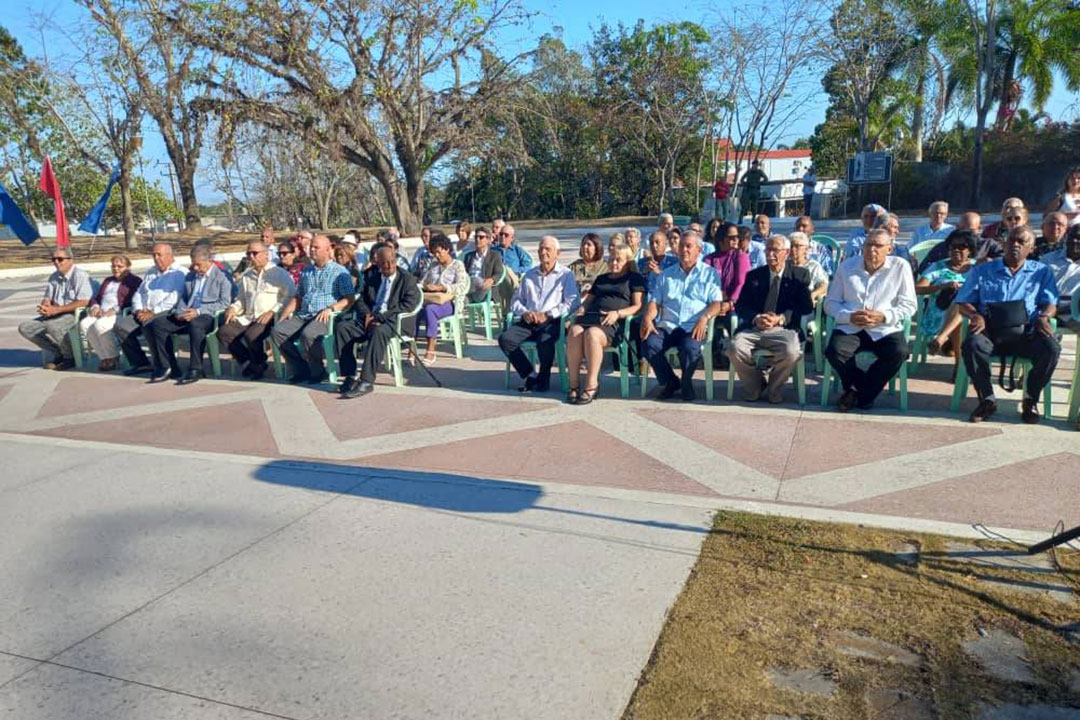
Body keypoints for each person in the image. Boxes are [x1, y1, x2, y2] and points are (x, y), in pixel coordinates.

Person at [955, 225, 1060, 424]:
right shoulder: (983, 270)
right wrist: (974, 314)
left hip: (1026, 333)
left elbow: (1050, 302)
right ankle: (987, 399)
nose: (1015, 245)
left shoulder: (1041, 272)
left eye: (1022, 242)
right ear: (1003, 242)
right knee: (972, 345)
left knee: (1051, 348)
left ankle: (1030, 399)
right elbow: (963, 301)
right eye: (1011, 240)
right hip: (991, 332)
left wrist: (1045, 316)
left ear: (1031, 248)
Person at [824, 228, 917, 412]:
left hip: (884, 328)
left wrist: (884, 316)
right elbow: (830, 303)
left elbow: (909, 305)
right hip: (851, 326)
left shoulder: (900, 267)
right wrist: (849, 316)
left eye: (878, 246)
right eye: (868, 244)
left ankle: (855, 391)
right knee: (834, 351)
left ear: (889, 249)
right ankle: (865, 394)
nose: (871, 249)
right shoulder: (847, 266)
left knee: (899, 352)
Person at [640, 231, 724, 401]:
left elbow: (716, 304)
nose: (684, 250)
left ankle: (686, 382)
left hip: (692, 326)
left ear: (699, 250)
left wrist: (704, 318)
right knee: (648, 343)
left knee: (690, 349)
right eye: (681, 246)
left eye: (688, 246)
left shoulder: (710, 274)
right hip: (668, 325)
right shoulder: (666, 274)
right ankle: (671, 382)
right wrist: (648, 318)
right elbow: (655, 302)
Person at [729, 235, 813, 403]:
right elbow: (741, 306)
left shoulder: (799, 275)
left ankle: (774, 388)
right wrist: (756, 317)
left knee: (792, 352)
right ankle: (756, 385)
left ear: (786, 253)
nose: (770, 254)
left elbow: (806, 306)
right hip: (755, 327)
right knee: (734, 347)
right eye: (767, 250)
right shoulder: (754, 275)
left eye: (775, 250)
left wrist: (781, 318)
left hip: (784, 328)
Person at [336, 245, 422, 398]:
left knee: (378, 331)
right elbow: (360, 299)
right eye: (384, 263)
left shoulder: (406, 279)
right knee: (343, 327)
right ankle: (349, 376)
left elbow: (409, 304)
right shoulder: (372, 276)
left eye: (391, 261)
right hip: (371, 318)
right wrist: (367, 314)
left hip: (392, 322)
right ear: (377, 263)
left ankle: (366, 381)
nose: (388, 266)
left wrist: (384, 316)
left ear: (396, 260)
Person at [498, 235, 579, 393]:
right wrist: (525, 312)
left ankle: (544, 378)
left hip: (551, 321)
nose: (543, 252)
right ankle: (530, 374)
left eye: (548, 249)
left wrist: (549, 314)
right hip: (529, 320)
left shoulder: (565, 275)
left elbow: (572, 302)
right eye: (541, 249)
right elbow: (516, 301)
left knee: (545, 340)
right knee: (505, 339)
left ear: (557, 253)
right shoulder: (530, 275)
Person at [565, 245, 644, 404]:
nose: (614, 263)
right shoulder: (602, 279)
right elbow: (588, 301)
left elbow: (637, 306)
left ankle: (591, 384)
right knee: (574, 331)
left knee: (592, 334)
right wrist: (581, 309)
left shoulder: (634, 279)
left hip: (614, 323)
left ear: (627, 262)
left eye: (618, 260)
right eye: (611, 259)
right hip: (592, 317)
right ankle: (573, 385)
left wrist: (618, 313)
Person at [271, 234, 355, 384]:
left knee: (308, 334)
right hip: (304, 314)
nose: (312, 250)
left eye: (317, 247)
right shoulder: (307, 271)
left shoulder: (339, 272)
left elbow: (349, 298)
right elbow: (299, 296)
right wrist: (285, 313)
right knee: (278, 331)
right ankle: (301, 369)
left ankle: (318, 371)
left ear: (328, 249)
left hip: (324, 316)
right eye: (311, 247)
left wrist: (331, 308)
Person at [145, 246, 233, 384]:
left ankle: (196, 368)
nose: (196, 268)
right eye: (194, 264)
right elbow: (183, 298)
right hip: (188, 313)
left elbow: (225, 302)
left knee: (195, 324)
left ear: (209, 260)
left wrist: (198, 311)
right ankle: (168, 366)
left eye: (199, 264)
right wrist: (179, 312)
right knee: (158, 324)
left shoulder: (222, 277)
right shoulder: (191, 276)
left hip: (208, 315)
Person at [219, 241, 296, 380]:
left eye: (255, 253)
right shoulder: (247, 276)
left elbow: (290, 296)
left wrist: (273, 311)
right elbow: (241, 298)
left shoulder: (279, 273)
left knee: (252, 335)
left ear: (266, 254)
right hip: (248, 316)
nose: (251, 256)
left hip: (269, 317)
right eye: (248, 253)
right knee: (225, 332)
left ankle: (257, 364)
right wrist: (233, 308)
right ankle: (250, 362)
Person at [115, 243, 187, 376]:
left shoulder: (179, 273)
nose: (156, 258)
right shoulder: (151, 272)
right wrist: (137, 310)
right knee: (121, 326)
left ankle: (167, 366)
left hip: (165, 312)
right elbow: (139, 293)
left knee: (152, 325)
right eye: (153, 255)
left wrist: (153, 312)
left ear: (170, 256)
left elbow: (175, 298)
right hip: (143, 312)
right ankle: (141, 363)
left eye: (159, 254)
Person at [19, 247, 93, 370]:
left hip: (74, 314)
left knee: (53, 325)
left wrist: (57, 310)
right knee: (25, 327)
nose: (56, 262)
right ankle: (58, 352)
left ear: (70, 260)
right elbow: (47, 297)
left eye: (60, 259)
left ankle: (70, 358)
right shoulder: (54, 276)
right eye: (53, 259)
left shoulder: (80, 276)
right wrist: (45, 306)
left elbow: (84, 301)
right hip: (55, 313)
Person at [918, 230, 977, 361]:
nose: (956, 250)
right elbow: (918, 289)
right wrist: (941, 286)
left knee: (961, 306)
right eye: (952, 247)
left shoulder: (977, 267)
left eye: (961, 247)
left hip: (972, 314)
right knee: (960, 313)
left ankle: (941, 339)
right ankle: (958, 364)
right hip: (939, 315)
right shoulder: (937, 266)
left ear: (970, 250)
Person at [79, 255, 141, 372]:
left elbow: (134, 300)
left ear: (128, 267)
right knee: (85, 324)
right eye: (113, 266)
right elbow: (97, 297)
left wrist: (115, 309)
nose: (116, 269)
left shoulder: (134, 281)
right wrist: (95, 306)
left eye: (120, 266)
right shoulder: (108, 281)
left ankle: (113, 356)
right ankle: (104, 357)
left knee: (100, 325)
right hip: (102, 313)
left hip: (119, 314)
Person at [417, 233, 469, 365]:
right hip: (433, 299)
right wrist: (421, 286)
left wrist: (442, 287)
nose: (437, 256)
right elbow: (423, 282)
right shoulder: (434, 265)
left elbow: (462, 286)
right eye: (434, 253)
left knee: (430, 310)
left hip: (450, 302)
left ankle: (430, 349)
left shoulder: (458, 265)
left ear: (447, 249)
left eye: (439, 252)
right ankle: (412, 346)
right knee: (416, 311)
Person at [1042, 224, 1080, 319]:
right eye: (1071, 236)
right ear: (1065, 237)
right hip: (1047, 310)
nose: (1074, 241)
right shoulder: (1048, 259)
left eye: (1079, 238)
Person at [493, 223, 532, 312]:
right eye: (501, 234)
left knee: (507, 270)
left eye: (506, 235)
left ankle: (507, 312)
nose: (503, 237)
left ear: (512, 238)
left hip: (514, 279)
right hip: (496, 281)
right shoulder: (493, 250)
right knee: (504, 270)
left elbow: (528, 266)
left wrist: (515, 271)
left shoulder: (517, 250)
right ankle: (509, 311)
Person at [789, 232, 829, 304]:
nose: (793, 249)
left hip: (803, 303)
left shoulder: (813, 266)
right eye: (791, 246)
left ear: (806, 249)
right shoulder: (784, 264)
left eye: (797, 246)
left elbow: (823, 286)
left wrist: (813, 295)